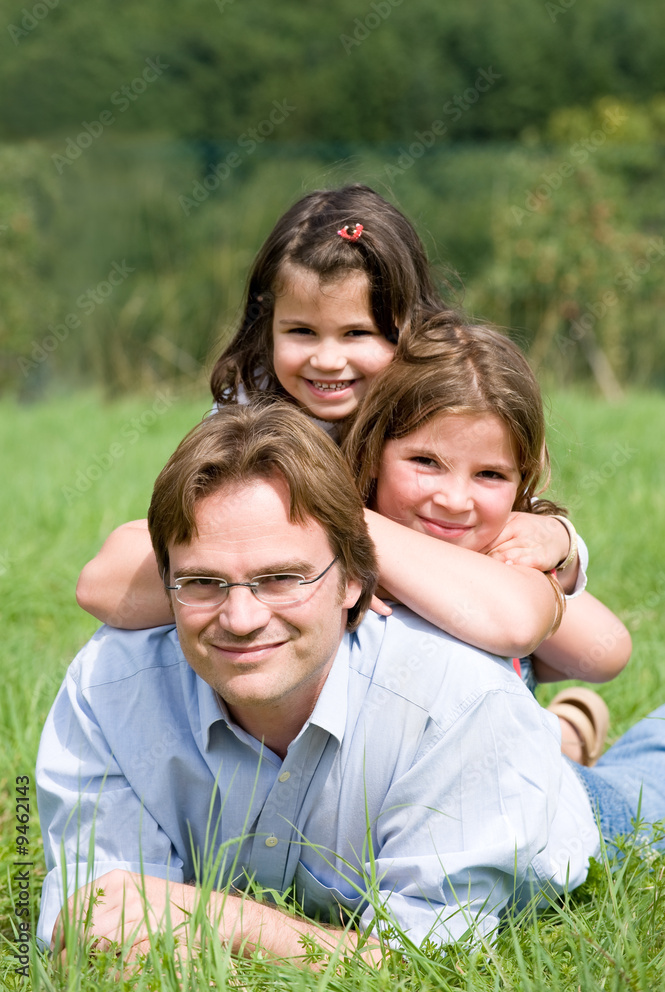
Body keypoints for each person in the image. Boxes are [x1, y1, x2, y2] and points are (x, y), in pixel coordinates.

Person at [36, 403, 665, 965]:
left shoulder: (456, 701)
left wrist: (219, 919)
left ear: (356, 582)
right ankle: (574, 726)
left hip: (543, 805)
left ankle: (574, 739)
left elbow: (424, 957)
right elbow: (100, 922)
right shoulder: (109, 689)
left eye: (282, 578)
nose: (242, 618)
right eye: (203, 583)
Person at [74, 186, 620, 687]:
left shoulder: (437, 413)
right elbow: (110, 581)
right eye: (302, 331)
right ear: (267, 328)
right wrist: (335, 543)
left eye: (357, 333)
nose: (327, 360)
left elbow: (589, 640)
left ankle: (567, 729)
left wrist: (565, 543)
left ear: (409, 329)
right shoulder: (250, 422)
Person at [342, 315, 630, 763]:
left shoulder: (500, 559)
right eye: (426, 461)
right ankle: (570, 731)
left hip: (523, 783)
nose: (455, 500)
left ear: (522, 483)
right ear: (373, 452)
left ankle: (568, 733)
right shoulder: (337, 561)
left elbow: (607, 651)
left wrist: (562, 545)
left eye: (490, 474)